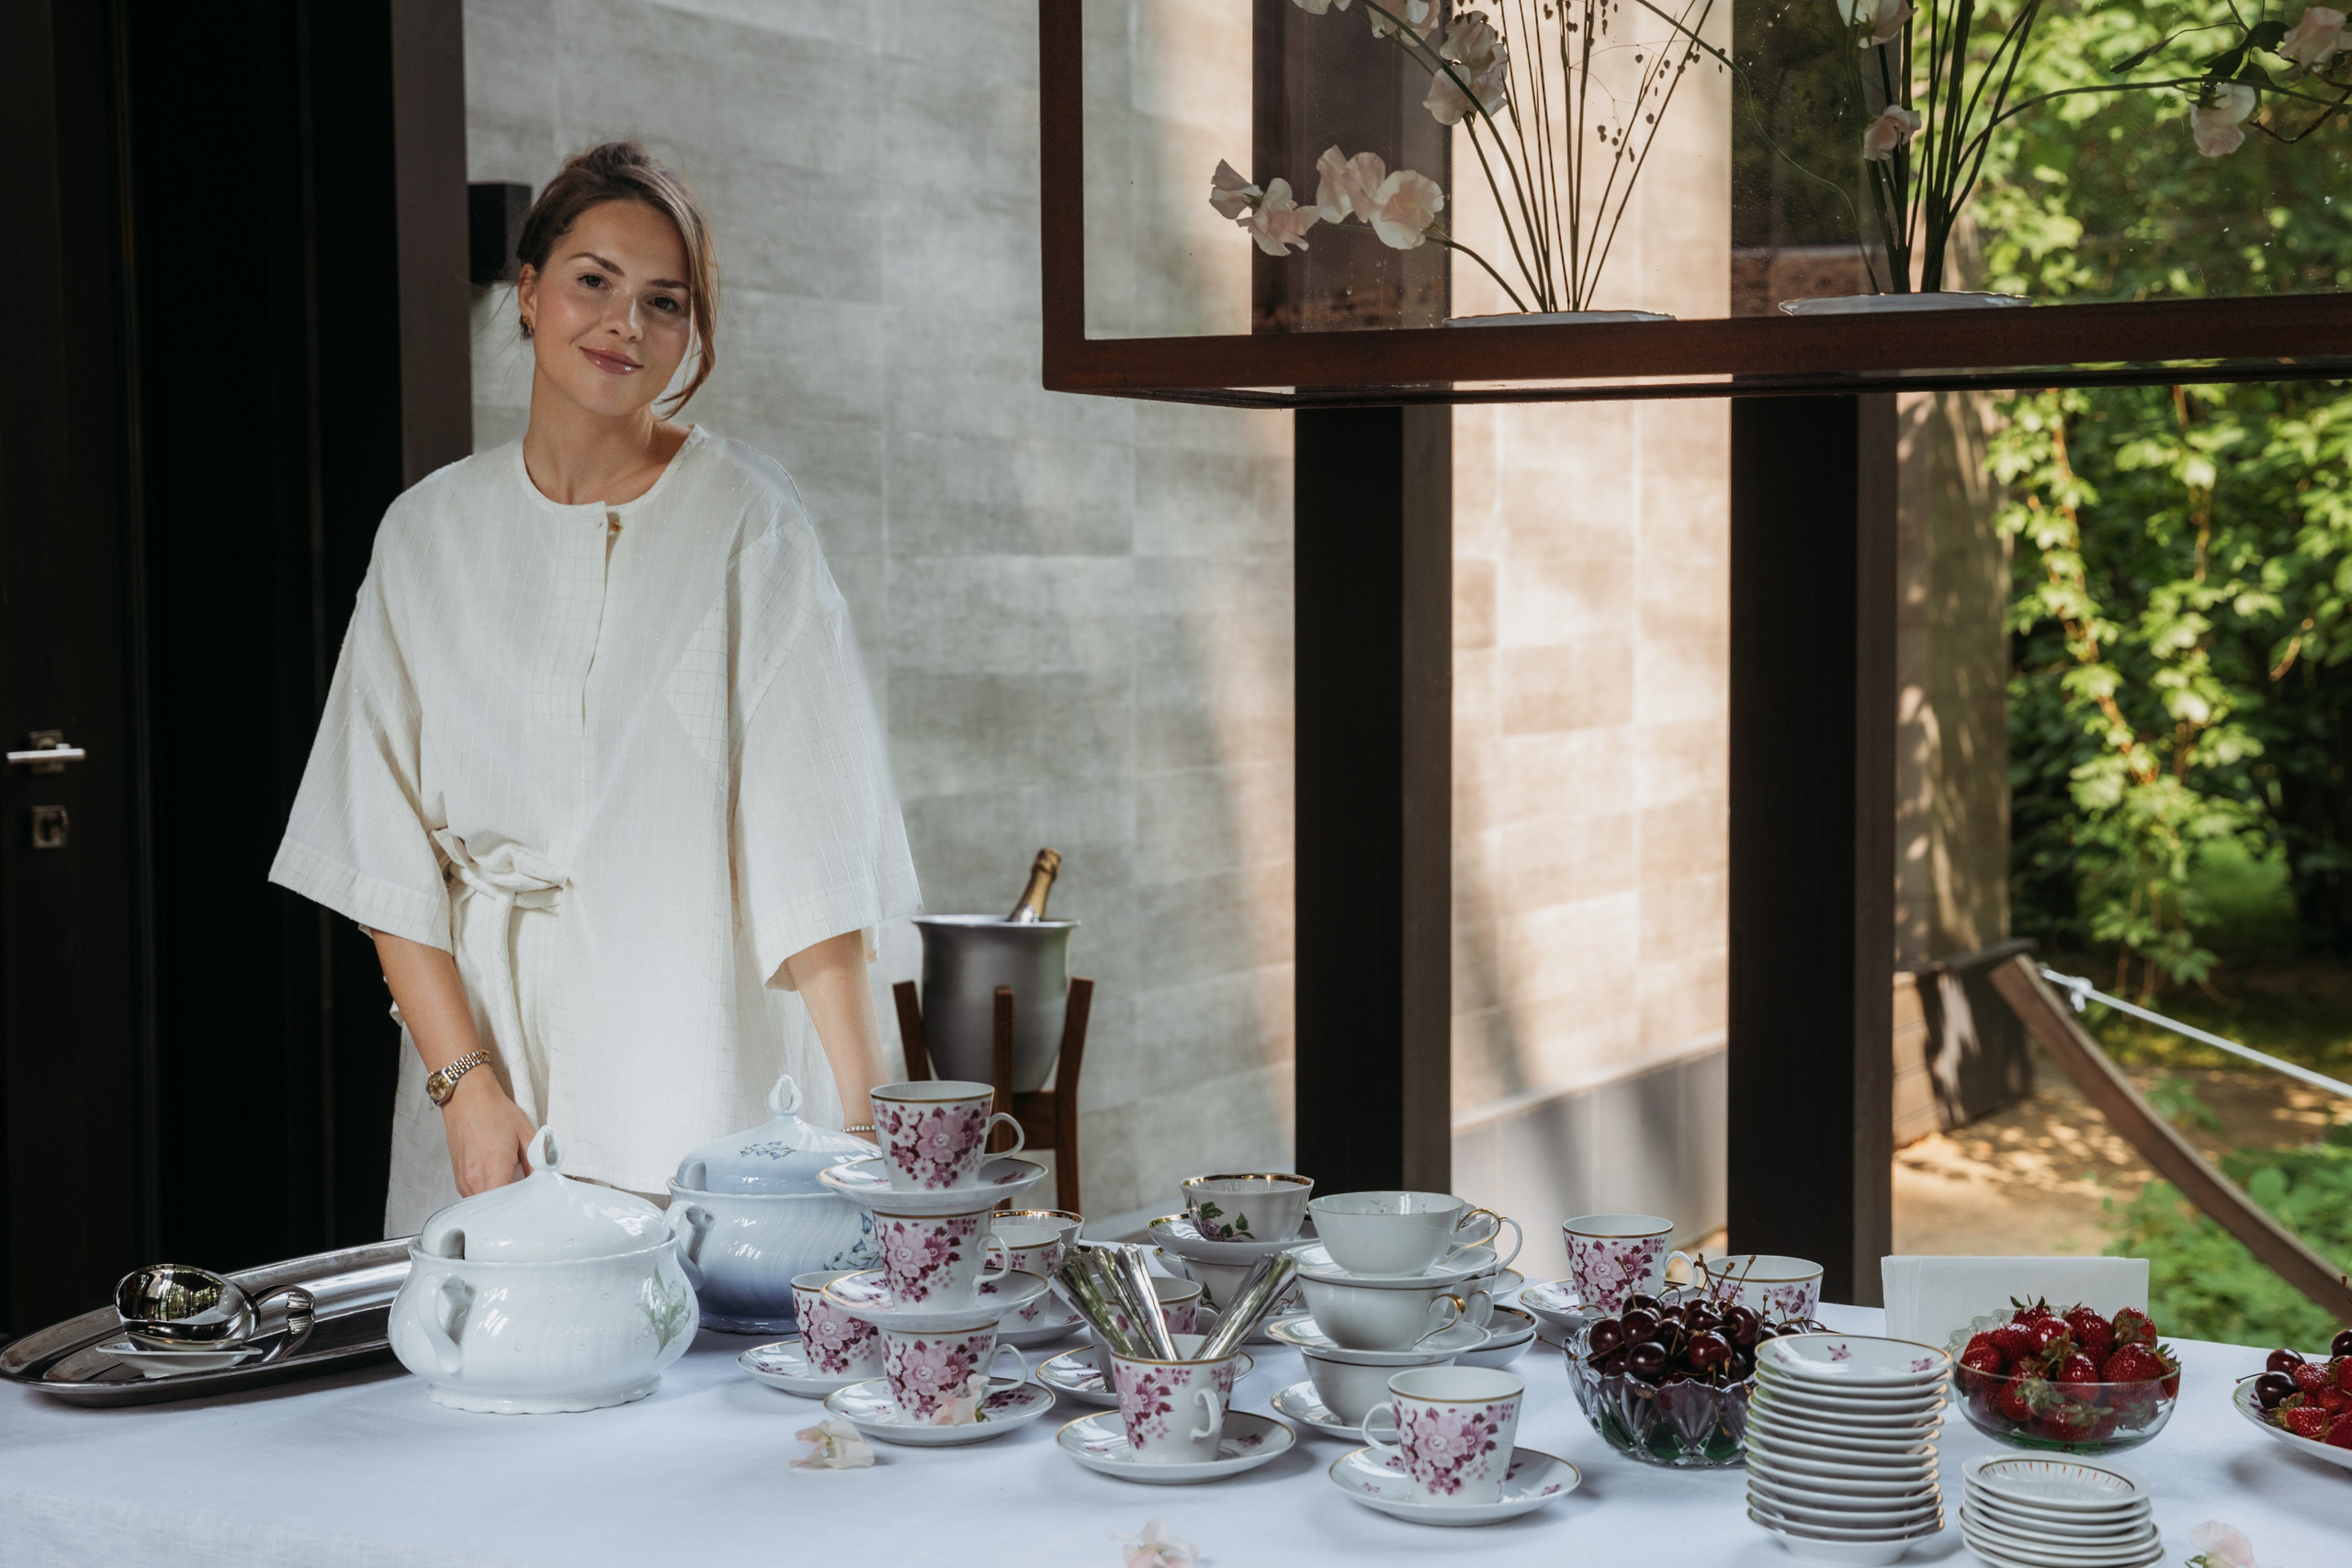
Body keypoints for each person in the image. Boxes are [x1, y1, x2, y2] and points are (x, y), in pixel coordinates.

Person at [271, 141, 919, 1234]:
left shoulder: (746, 522)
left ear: (692, 334)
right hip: (488, 1068)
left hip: (684, 1048)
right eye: (593, 281)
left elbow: (818, 842)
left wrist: (873, 1144)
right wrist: (464, 1089)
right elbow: (380, 847)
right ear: (528, 293)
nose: (624, 324)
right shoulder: (427, 533)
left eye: (664, 302)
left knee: (696, 1362)